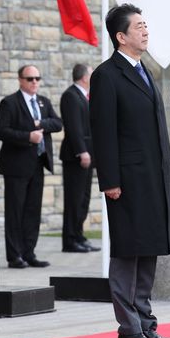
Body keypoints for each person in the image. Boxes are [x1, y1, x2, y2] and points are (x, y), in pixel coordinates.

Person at [89, 3, 170, 338]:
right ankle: (129, 328)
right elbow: (103, 131)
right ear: (121, 36)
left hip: (154, 178)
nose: (146, 31)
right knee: (129, 252)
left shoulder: (145, 71)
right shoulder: (107, 75)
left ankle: (146, 323)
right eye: (139, 26)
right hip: (126, 181)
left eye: (146, 25)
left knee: (149, 249)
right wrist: (110, 180)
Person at [0, 65, 62, 268]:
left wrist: (39, 124)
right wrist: (28, 136)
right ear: (20, 80)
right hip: (16, 166)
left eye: (37, 78)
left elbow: (58, 123)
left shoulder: (43, 102)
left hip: (38, 163)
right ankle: (14, 255)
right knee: (15, 211)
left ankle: (29, 252)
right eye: (30, 78)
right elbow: (2, 131)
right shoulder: (9, 103)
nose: (35, 81)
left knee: (33, 211)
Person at [60, 63, 100, 253]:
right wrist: (81, 151)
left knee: (83, 199)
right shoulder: (71, 96)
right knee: (74, 199)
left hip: (88, 156)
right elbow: (74, 128)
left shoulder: (85, 96)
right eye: (91, 75)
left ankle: (79, 235)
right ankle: (70, 239)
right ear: (84, 77)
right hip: (76, 157)